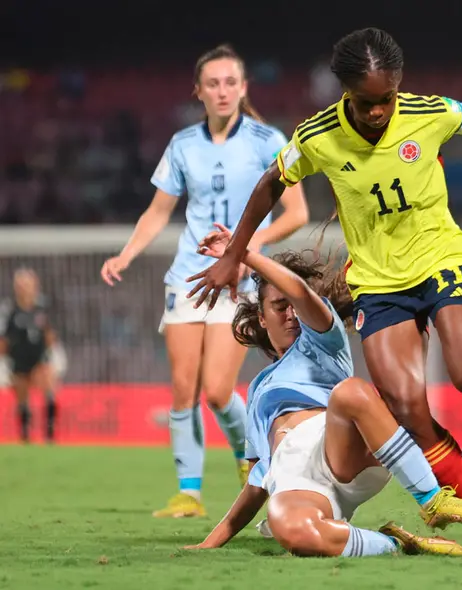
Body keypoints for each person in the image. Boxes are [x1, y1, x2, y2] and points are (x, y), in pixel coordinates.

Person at [186, 28, 462, 557]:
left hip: (441, 258)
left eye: (386, 99)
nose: (378, 111)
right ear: (345, 92)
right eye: (366, 102)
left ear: (398, 87)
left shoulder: (428, 113)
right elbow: (272, 180)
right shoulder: (318, 135)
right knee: (407, 407)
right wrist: (233, 252)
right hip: (379, 283)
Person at [186, 223, 462, 557]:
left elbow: (302, 294)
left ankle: (431, 499)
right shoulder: (259, 387)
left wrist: (242, 253)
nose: (291, 314)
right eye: (278, 307)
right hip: (295, 480)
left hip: (339, 449)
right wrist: (211, 541)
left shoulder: (322, 340)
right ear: (261, 317)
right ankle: (398, 544)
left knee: (350, 393)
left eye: (293, 305)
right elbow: (258, 480)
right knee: (291, 531)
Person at [99, 44, 309, 518]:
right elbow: (157, 213)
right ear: (198, 91)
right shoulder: (182, 145)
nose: (222, 91)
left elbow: (297, 212)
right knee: (181, 388)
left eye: (230, 82)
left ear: (244, 88)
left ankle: (245, 456)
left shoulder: (268, 140)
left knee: (217, 390)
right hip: (187, 279)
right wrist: (125, 255)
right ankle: (189, 493)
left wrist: (242, 249)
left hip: (238, 280)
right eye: (212, 83)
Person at [0, 269, 60, 443]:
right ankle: (25, 435)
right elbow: (3, 339)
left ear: (35, 286)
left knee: (49, 389)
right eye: (20, 284)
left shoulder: (43, 309)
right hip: (18, 359)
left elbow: (50, 335)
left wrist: (53, 354)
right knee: (22, 397)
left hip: (39, 358)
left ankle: (50, 434)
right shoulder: (9, 310)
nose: (24, 288)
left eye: (27, 284)